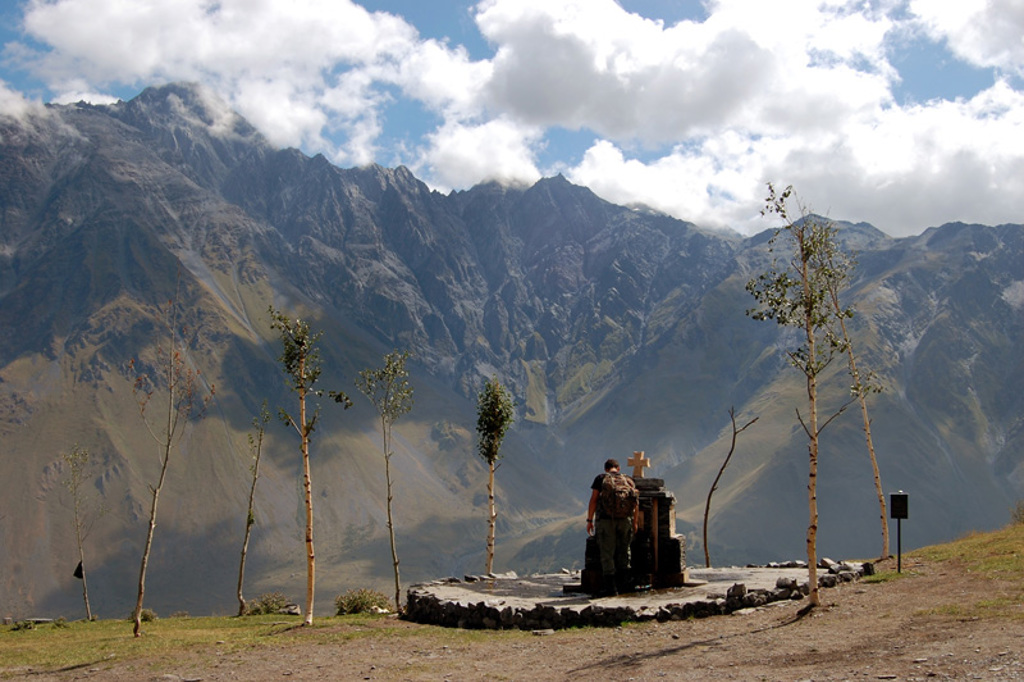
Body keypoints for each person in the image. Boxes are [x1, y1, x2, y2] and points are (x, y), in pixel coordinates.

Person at [587, 458, 639, 596]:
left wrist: (589, 520)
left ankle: (610, 588)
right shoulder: (628, 480)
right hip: (626, 520)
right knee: (624, 550)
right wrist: (635, 522)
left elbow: (593, 499)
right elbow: (635, 502)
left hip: (606, 521)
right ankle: (625, 585)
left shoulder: (601, 479)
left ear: (606, 469)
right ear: (618, 468)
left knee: (607, 552)